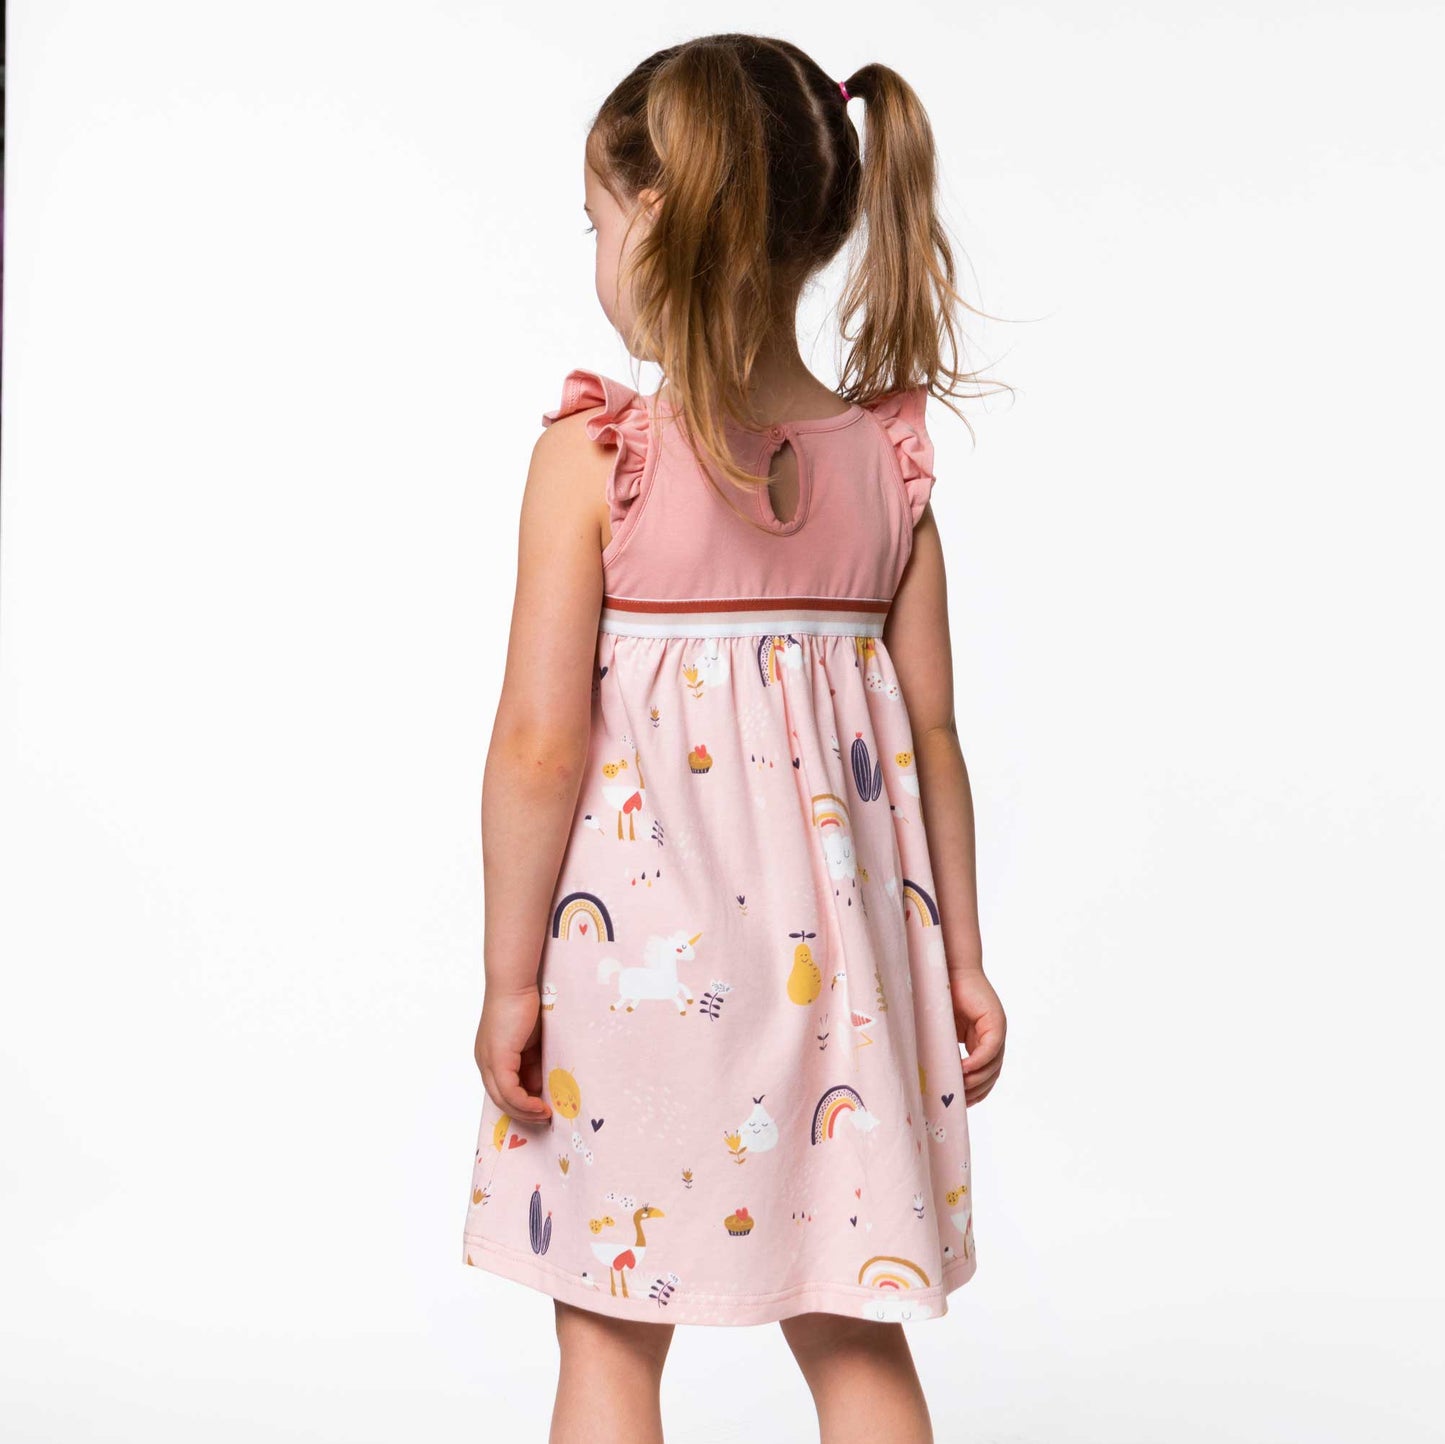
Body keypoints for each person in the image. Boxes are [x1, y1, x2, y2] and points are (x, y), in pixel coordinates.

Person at [463, 33, 1009, 1444]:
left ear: (656, 214)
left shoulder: (599, 461)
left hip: (631, 992)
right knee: (852, 1336)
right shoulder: (887, 468)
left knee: (607, 1336)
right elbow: (933, 741)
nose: (596, 253)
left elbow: (537, 744)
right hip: (848, 990)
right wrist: (960, 960)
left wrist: (510, 980)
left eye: (595, 222)